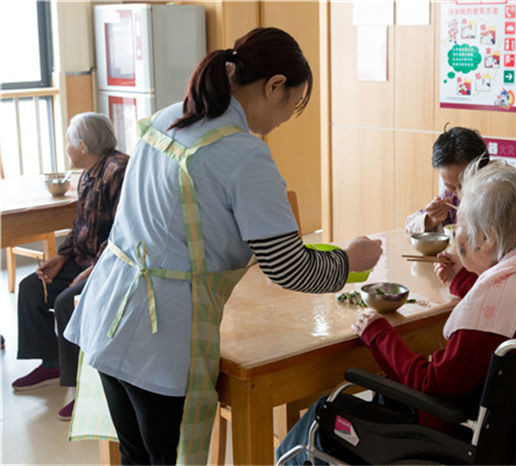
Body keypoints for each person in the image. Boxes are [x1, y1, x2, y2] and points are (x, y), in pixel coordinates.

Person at [64, 27, 382, 465]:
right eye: (293, 104)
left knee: (138, 457)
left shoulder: (169, 119)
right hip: (160, 335)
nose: (286, 118)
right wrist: (348, 260)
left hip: (109, 311)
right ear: (274, 86)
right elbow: (288, 267)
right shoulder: (243, 154)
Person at [277, 164, 516, 464]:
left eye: (464, 228)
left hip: (462, 440)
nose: (459, 238)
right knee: (388, 396)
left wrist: (378, 333)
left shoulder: (492, 308)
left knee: (320, 415)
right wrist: (465, 281)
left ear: (488, 238)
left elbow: (429, 384)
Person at [12, 112, 129, 422]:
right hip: (83, 259)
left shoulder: (119, 171)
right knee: (32, 287)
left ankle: (85, 390)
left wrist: (93, 270)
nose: (66, 148)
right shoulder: (89, 173)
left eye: (68, 142)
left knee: (67, 302)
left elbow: (124, 232)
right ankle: (52, 363)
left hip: (110, 266)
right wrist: (62, 257)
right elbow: (80, 226)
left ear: (81, 146)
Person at [405, 126, 516, 253]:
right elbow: (410, 225)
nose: (460, 194)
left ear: (484, 167)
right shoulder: (451, 196)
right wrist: (431, 220)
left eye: (464, 184)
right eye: (450, 186)